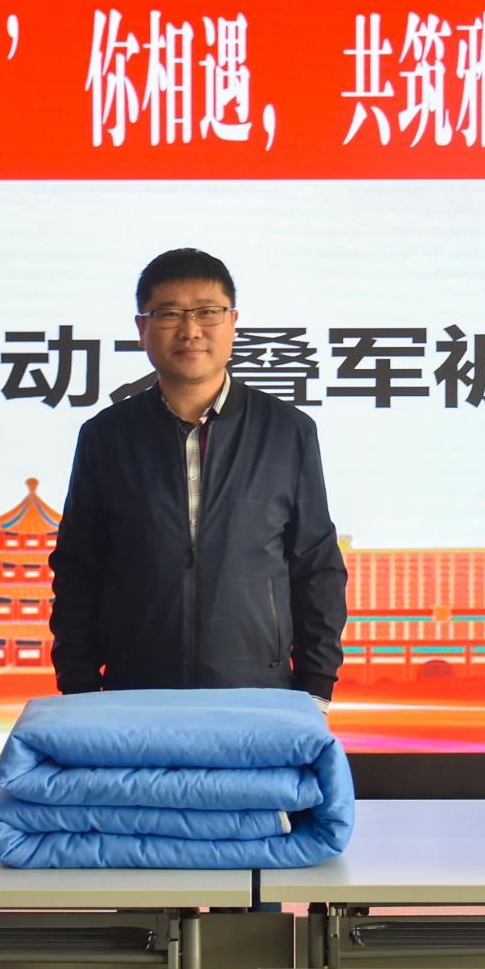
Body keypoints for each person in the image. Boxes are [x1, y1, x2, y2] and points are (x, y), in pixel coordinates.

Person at [48, 247, 347, 704]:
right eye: (169, 314)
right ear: (142, 329)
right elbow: (78, 569)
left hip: (258, 690)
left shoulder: (288, 431)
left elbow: (316, 563)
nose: (190, 330)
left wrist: (316, 684)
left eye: (208, 312)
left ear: (233, 322)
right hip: (134, 690)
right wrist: (80, 686)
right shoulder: (105, 437)